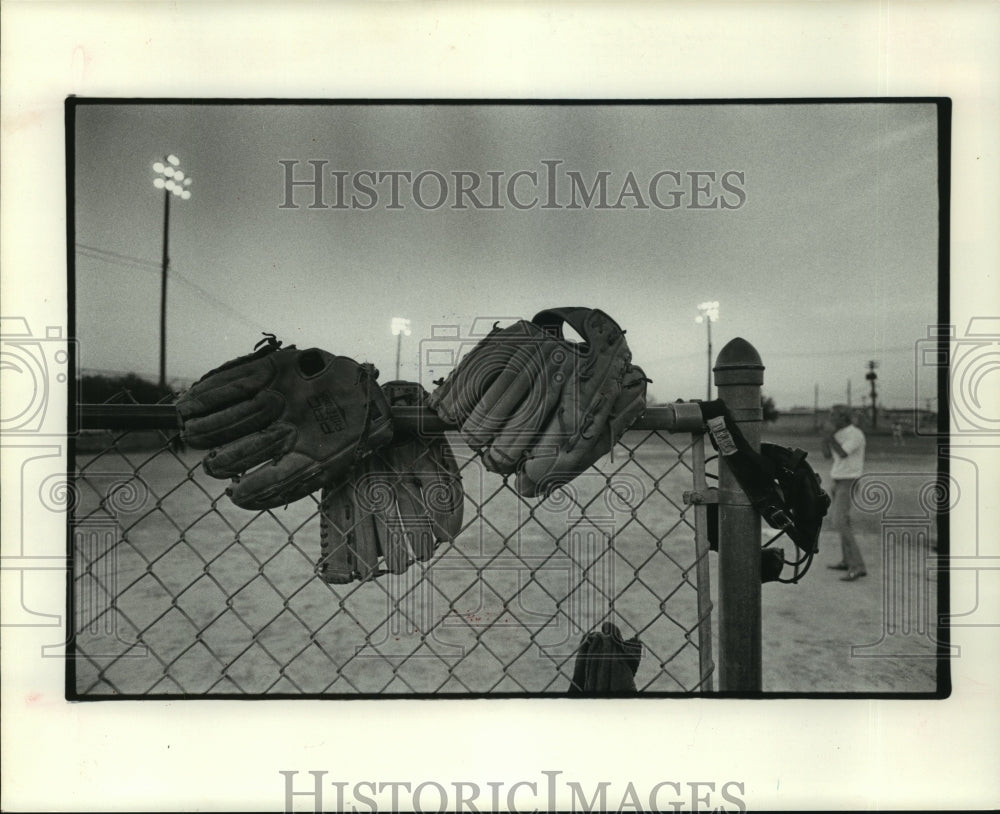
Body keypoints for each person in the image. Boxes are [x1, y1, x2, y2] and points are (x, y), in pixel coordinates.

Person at [821, 405, 867, 581]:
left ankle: (858, 566)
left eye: (833, 416)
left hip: (849, 481)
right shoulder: (839, 434)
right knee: (843, 522)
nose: (830, 420)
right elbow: (827, 455)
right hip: (838, 480)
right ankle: (847, 561)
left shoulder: (855, 434)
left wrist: (829, 436)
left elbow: (842, 453)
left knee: (839, 521)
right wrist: (825, 439)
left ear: (843, 418)